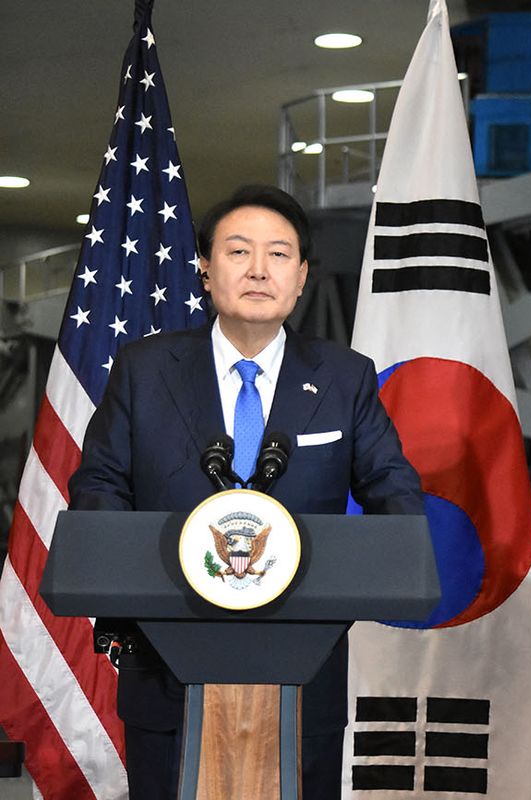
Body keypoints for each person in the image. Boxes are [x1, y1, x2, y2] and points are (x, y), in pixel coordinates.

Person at [67, 184, 424, 799]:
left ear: (303, 275)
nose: (259, 269)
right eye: (238, 252)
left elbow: (394, 490)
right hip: (166, 665)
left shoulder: (345, 377)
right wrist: (123, 572)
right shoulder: (144, 369)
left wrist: (400, 557)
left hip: (303, 670)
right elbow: (98, 484)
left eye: (280, 255)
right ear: (205, 270)